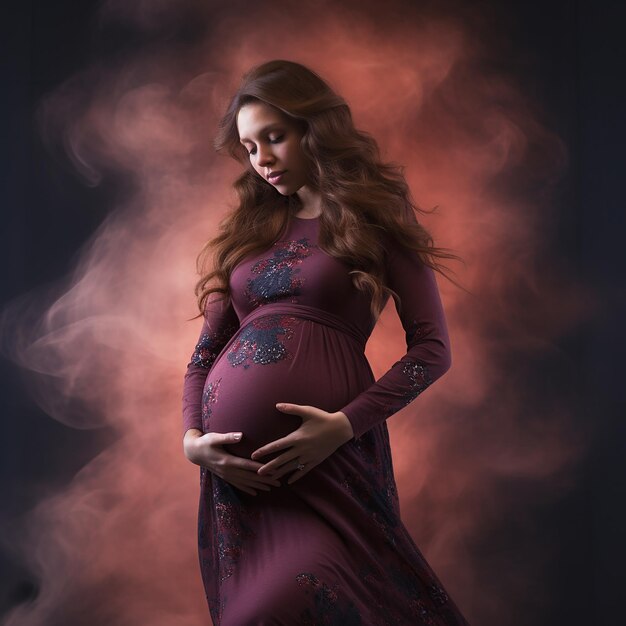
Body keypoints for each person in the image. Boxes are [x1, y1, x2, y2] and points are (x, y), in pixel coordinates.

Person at [181, 59, 470, 625]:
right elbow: (203, 357)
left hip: (328, 465)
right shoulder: (248, 233)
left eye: (274, 137)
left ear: (314, 128)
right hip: (241, 488)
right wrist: (193, 440)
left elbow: (433, 349)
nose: (261, 159)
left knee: (308, 601)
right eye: (249, 146)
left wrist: (343, 425)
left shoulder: (373, 216)